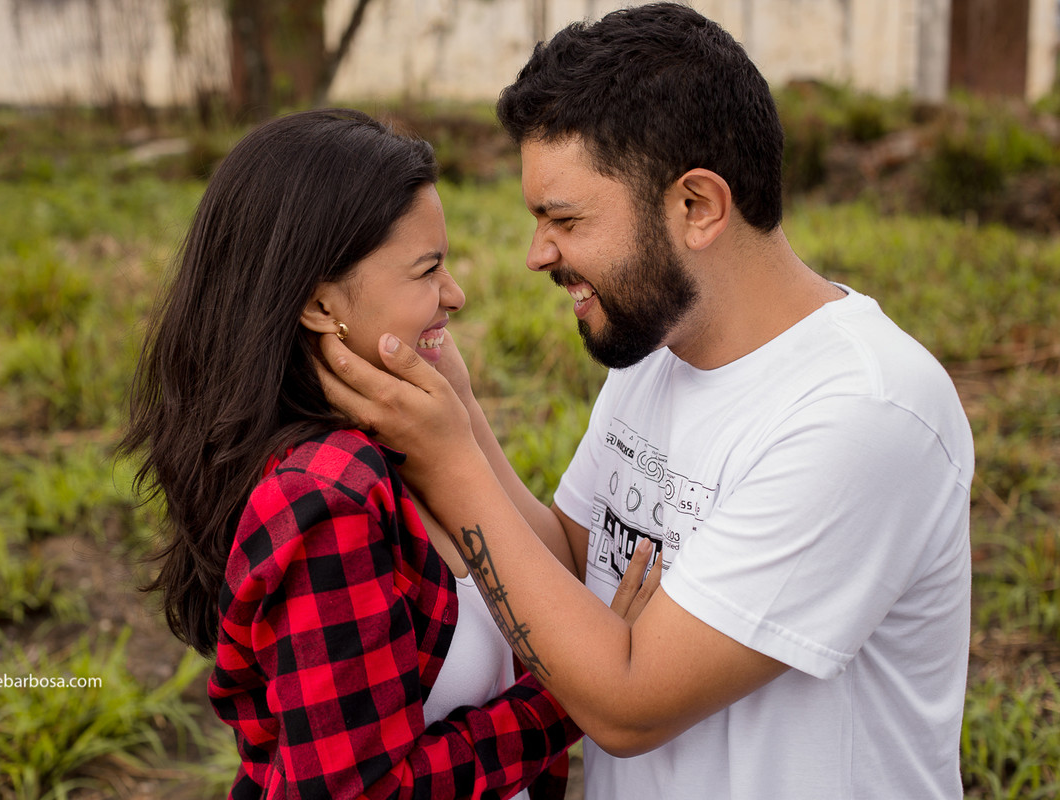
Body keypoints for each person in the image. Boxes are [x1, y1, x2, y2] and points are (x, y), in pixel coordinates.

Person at [317, 4, 975, 799]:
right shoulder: (656, 353)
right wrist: (462, 415)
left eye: (563, 219)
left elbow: (628, 704)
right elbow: (569, 566)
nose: (537, 255)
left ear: (696, 206)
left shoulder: (863, 411)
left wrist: (448, 462)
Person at [118, 108, 590, 799]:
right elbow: (363, 792)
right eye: (427, 270)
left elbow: (543, 576)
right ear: (316, 305)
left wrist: (462, 418)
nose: (454, 295)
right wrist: (571, 697)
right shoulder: (328, 497)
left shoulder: (407, 442)